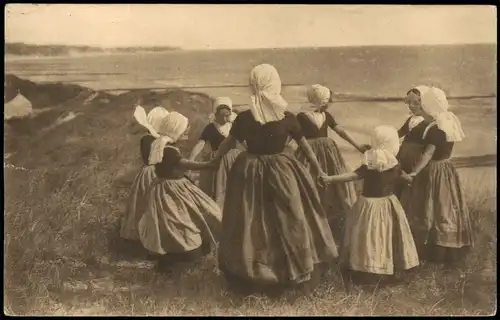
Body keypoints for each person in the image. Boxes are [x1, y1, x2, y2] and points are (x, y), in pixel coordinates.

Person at [212, 64, 338, 296]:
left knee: (252, 220)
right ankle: (285, 272)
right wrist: (319, 170)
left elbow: (228, 144)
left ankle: (256, 273)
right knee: (287, 218)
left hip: (249, 170)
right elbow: (305, 148)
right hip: (281, 171)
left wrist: (214, 160)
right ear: (274, 84)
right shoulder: (286, 117)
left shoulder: (246, 118)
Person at [321, 125, 419, 286]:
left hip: (368, 205)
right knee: (384, 235)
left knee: (368, 236)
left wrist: (331, 179)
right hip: (387, 203)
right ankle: (385, 268)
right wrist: (411, 179)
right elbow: (404, 177)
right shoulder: (394, 163)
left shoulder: (370, 162)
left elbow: (354, 175)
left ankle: (366, 267)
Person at [137, 111, 222, 272]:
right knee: (183, 219)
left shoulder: (162, 145)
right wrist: (209, 165)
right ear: (175, 130)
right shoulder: (169, 150)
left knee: (172, 221)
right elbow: (185, 164)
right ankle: (185, 254)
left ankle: (174, 255)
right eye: (185, 128)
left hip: (166, 188)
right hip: (173, 189)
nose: (188, 130)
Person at [404, 87, 473, 268]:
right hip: (446, 170)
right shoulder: (446, 124)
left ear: (430, 108)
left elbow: (427, 155)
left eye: (422, 106)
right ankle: (442, 249)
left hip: (434, 171)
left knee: (434, 208)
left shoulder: (436, 130)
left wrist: (414, 172)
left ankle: (438, 252)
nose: (420, 110)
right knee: (443, 208)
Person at [295, 84, 370, 242]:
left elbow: (340, 131)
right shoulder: (301, 117)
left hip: (329, 154)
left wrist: (357, 146)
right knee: (310, 183)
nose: (328, 103)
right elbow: (293, 136)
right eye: (326, 100)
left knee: (333, 185)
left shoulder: (326, 116)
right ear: (319, 99)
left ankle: (330, 222)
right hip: (309, 153)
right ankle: (313, 223)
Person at [120, 106, 169, 244]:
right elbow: (151, 159)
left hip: (154, 171)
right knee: (147, 204)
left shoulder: (158, 139)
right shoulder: (148, 139)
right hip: (151, 173)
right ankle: (144, 237)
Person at [188, 97, 242, 208]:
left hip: (233, 160)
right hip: (218, 160)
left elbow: (244, 141)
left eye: (227, 114)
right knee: (219, 188)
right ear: (216, 114)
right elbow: (200, 144)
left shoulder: (233, 126)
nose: (224, 117)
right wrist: (191, 160)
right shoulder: (210, 128)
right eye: (221, 114)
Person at [394, 86, 432, 199]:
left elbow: (430, 147)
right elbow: (399, 133)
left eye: (415, 103)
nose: (411, 106)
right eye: (409, 103)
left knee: (414, 186)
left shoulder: (429, 122)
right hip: (403, 156)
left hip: (417, 158)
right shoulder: (411, 119)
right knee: (399, 182)